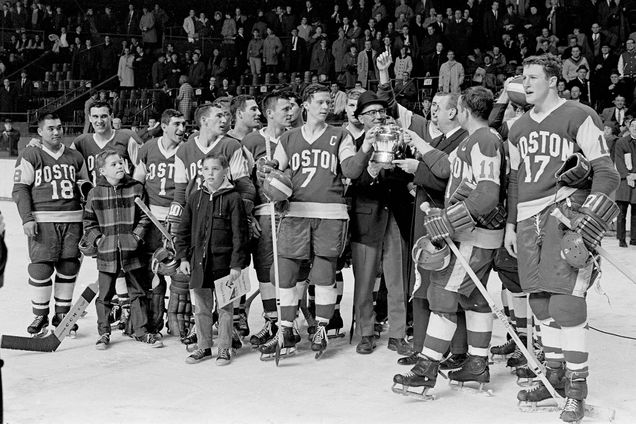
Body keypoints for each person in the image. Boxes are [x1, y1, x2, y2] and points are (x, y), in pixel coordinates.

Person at [505, 54, 619, 423]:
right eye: (524, 77)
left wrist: (589, 219)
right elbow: (514, 180)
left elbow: (607, 172)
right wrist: (510, 224)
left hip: (562, 215)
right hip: (525, 221)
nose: (527, 83)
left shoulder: (579, 114)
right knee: (539, 303)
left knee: (567, 305)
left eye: (534, 77)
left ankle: (576, 389)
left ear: (553, 81)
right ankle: (552, 376)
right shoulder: (517, 128)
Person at [393, 86, 505, 398]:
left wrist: (450, 219)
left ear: (465, 111)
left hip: (472, 235)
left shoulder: (483, 139)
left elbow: (487, 193)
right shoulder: (476, 139)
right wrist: (418, 141)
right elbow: (444, 167)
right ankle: (477, 364)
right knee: (474, 300)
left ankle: (426, 369)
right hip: (479, 234)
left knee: (442, 294)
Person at [260, 84, 375, 359]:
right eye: (321, 102)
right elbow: (275, 175)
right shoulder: (288, 138)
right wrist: (267, 171)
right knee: (285, 271)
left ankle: (321, 327)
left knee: (324, 273)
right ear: (306, 105)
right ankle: (285, 328)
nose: (326, 107)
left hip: (330, 213)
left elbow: (351, 170)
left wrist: (367, 147)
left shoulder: (340, 135)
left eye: (329, 102)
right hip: (295, 212)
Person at [348, 90, 412, 355]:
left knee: (397, 280)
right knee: (363, 281)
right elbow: (352, 180)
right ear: (360, 118)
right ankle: (366, 331)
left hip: (394, 216)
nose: (377, 117)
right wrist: (372, 171)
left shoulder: (398, 138)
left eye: (380, 111)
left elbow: (407, 177)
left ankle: (397, 333)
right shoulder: (352, 143)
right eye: (371, 113)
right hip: (366, 217)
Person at [12, 114, 88, 337]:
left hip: (73, 220)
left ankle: (62, 314)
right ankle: (40, 315)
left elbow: (85, 185)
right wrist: (26, 218)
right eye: (51, 128)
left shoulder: (75, 156)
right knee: (41, 267)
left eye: (60, 127)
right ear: (40, 132)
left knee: (69, 266)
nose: (57, 132)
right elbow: (20, 189)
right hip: (43, 219)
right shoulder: (30, 154)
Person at [81, 149, 163, 349]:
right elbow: (88, 222)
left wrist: (135, 237)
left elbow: (145, 216)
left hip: (132, 251)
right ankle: (104, 332)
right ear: (102, 170)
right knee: (105, 295)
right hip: (107, 252)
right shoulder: (95, 192)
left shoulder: (135, 188)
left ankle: (142, 331)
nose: (119, 166)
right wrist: (99, 240)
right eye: (114, 164)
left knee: (138, 292)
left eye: (121, 162)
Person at [174, 152, 249, 365]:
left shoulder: (233, 199)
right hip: (199, 263)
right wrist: (184, 258)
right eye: (206, 169)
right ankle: (203, 347)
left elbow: (239, 235)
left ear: (225, 171)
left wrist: (237, 264)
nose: (210, 173)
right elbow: (184, 230)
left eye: (215, 169)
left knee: (225, 309)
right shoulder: (195, 198)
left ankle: (224, 348)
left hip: (224, 265)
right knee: (201, 307)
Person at [133, 109, 186, 334]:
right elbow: (138, 180)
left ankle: (178, 323)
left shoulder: (187, 149)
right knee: (153, 270)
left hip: (179, 220)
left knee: (179, 273)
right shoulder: (148, 148)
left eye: (184, 124)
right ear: (163, 126)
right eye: (176, 124)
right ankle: (153, 322)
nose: (181, 129)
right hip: (153, 219)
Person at [614, 119, 636, 247]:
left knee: (635, 212)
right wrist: (627, 175)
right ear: (629, 127)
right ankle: (621, 239)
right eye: (633, 126)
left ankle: (634, 239)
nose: (635, 128)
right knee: (622, 211)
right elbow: (619, 161)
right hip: (624, 181)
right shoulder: (621, 142)